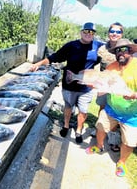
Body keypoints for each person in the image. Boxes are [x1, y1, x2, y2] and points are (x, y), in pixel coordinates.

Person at [30, 22, 104, 144]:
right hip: (69, 83)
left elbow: (112, 51)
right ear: (81, 32)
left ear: (94, 34)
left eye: (91, 32)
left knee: (83, 111)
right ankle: (66, 125)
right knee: (68, 106)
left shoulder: (98, 46)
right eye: (86, 31)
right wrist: (38, 64)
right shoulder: (71, 46)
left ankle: (79, 130)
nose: (88, 34)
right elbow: (55, 57)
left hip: (87, 86)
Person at [86, 39, 137, 177]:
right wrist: (93, 84)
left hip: (132, 115)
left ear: (131, 51)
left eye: (124, 50)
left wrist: (134, 95)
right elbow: (102, 84)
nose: (121, 53)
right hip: (111, 109)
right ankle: (99, 146)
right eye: (118, 51)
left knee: (129, 141)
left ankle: (121, 162)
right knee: (100, 127)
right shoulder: (111, 67)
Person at [95, 22, 124, 152]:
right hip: (103, 84)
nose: (114, 34)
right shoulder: (101, 48)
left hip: (117, 87)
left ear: (121, 34)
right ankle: (100, 131)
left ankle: (113, 139)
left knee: (115, 113)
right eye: (112, 31)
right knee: (102, 108)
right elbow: (95, 63)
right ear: (108, 33)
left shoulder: (125, 47)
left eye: (118, 32)